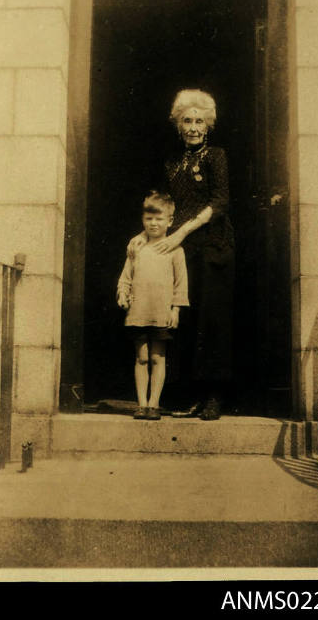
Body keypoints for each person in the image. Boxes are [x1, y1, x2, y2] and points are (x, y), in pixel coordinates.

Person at [128, 89, 235, 420]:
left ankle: (214, 397)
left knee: (212, 320)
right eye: (187, 120)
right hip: (179, 250)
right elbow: (161, 207)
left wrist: (182, 233)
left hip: (213, 246)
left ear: (208, 125)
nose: (193, 127)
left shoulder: (216, 156)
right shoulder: (171, 162)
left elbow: (220, 202)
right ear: (178, 125)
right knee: (185, 319)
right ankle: (192, 397)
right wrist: (143, 238)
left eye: (199, 121)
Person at [117, 191, 189, 420]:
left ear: (170, 221)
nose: (154, 223)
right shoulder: (136, 248)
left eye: (159, 219)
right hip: (138, 312)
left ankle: (154, 403)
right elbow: (125, 277)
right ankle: (141, 404)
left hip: (161, 313)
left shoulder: (176, 251)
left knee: (158, 358)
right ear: (143, 220)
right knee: (142, 358)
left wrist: (175, 309)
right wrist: (122, 293)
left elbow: (181, 284)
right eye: (149, 219)